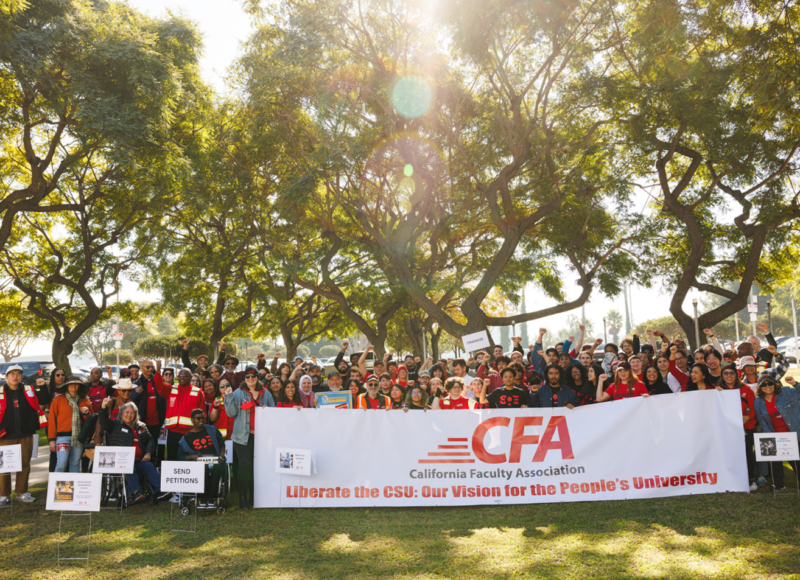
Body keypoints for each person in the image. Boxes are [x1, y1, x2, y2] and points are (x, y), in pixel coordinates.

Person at [98, 398, 169, 504]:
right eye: (126, 412)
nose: (129, 415)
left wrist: (148, 452)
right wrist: (103, 407)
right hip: (121, 461)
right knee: (129, 465)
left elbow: (150, 440)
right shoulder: (115, 425)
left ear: (135, 415)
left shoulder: (141, 426)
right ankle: (136, 492)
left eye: (132, 413)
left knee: (149, 466)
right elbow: (103, 421)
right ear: (121, 414)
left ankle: (160, 491)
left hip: (139, 460)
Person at [224, 366, 275, 509]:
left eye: (253, 376)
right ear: (244, 379)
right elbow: (231, 413)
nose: (250, 379)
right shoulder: (238, 393)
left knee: (257, 467)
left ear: (258, 377)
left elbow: (274, 411)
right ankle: (242, 498)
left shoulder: (265, 393)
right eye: (247, 377)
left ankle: (255, 496)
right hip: (242, 437)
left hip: (261, 437)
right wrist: (228, 397)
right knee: (245, 466)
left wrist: (268, 412)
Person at [0, 365, 48, 504]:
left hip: (26, 433)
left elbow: (44, 400)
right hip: (5, 435)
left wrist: (43, 386)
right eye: (12, 374)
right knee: (4, 465)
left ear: (21, 376)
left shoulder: (29, 389)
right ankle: (3, 495)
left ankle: (22, 492)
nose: (15, 376)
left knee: (24, 464)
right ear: (6, 376)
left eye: (18, 374)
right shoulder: (0, 391)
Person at [139, 366, 204, 461]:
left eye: (185, 376)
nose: (182, 377)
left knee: (190, 457)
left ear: (190, 377)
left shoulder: (198, 392)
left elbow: (202, 414)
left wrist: (199, 431)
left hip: (190, 432)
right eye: (180, 375)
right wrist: (157, 371)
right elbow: (159, 386)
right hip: (173, 431)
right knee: (172, 457)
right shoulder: (171, 389)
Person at [754, 374, 800, 492]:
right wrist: (770, 438)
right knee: (775, 461)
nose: (767, 386)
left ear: (774, 384)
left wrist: (795, 384)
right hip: (775, 434)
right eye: (764, 384)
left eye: (770, 383)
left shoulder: (786, 392)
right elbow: (762, 422)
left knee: (796, 460)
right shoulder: (758, 402)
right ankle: (779, 484)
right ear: (759, 387)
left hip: (793, 433)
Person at [177, 410, 227, 502]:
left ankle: (212, 496)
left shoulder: (212, 429)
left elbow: (221, 444)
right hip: (199, 461)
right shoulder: (187, 437)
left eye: (203, 418)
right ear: (192, 420)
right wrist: (193, 457)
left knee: (218, 467)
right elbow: (180, 456)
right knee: (201, 469)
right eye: (198, 418)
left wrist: (221, 456)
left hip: (215, 458)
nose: (201, 420)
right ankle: (203, 496)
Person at [49, 376, 92, 473]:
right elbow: (52, 420)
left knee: (75, 463)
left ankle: (73, 487)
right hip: (62, 437)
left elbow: (90, 421)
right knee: (61, 463)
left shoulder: (84, 400)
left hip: (79, 438)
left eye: (76, 384)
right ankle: (55, 487)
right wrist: (51, 439)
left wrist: (85, 413)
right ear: (66, 386)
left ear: (80, 386)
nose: (73, 386)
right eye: (71, 384)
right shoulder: (58, 399)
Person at [130, 359, 167, 452]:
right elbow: (130, 403)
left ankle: (156, 464)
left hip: (157, 423)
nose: (150, 369)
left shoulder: (158, 383)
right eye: (147, 367)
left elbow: (164, 402)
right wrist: (137, 393)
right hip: (142, 422)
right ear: (141, 368)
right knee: (142, 447)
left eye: (152, 367)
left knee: (155, 447)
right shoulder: (136, 385)